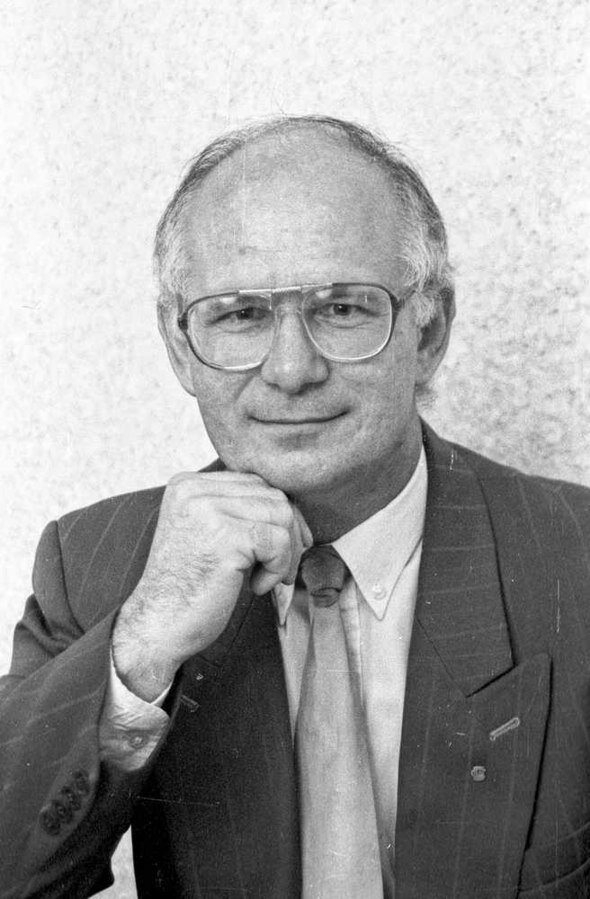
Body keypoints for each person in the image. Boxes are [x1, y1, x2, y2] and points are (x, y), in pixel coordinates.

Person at [1, 115, 589, 899]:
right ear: (180, 348)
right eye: (240, 314)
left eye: (341, 309)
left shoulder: (575, 562)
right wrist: (139, 651)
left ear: (430, 329)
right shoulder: (96, 566)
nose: (290, 368)